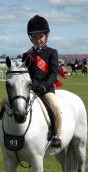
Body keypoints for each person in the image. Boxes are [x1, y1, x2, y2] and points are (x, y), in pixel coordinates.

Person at [22, 15, 62, 147]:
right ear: (31, 38)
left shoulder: (52, 53)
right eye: (35, 37)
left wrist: (44, 86)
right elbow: (24, 74)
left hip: (46, 88)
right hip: (30, 89)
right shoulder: (26, 55)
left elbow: (53, 73)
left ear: (46, 36)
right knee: (6, 102)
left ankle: (57, 134)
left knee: (55, 106)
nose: (38, 40)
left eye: (40, 37)